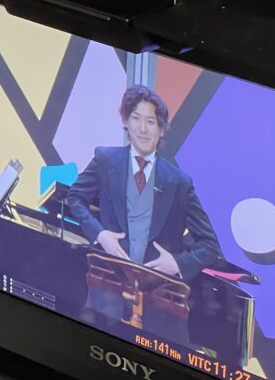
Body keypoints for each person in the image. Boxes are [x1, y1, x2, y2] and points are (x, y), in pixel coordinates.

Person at [65, 85, 222, 338]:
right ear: (126, 122)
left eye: (150, 121)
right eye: (136, 118)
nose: (142, 128)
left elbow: (210, 245)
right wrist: (100, 234)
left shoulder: (179, 183)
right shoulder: (105, 160)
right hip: (106, 292)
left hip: (160, 304)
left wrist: (176, 263)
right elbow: (75, 198)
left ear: (161, 129)